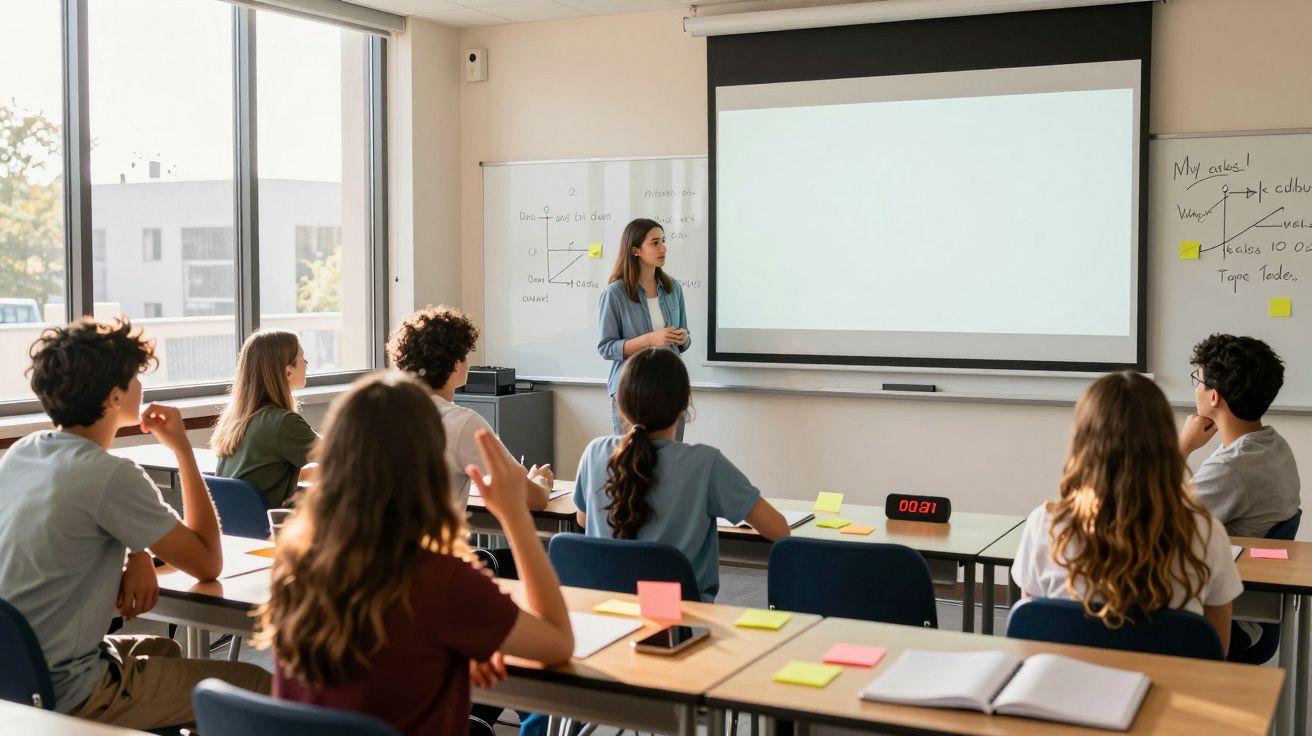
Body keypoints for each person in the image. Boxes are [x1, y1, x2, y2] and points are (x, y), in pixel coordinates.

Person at [260, 371, 573, 736]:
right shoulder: (439, 578)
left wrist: (447, 655)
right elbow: (557, 643)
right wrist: (515, 517)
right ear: (427, 465)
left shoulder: (296, 563)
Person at [0, 318, 270, 730]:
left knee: (163, 650)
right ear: (113, 397)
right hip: (71, 689)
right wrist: (182, 449)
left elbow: (70, 528)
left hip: (16, 674)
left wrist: (137, 551)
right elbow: (207, 563)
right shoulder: (111, 474)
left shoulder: (24, 452)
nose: (141, 387)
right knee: (257, 683)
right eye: (135, 378)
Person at [1012, 371, 1243, 652]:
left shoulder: (1045, 525)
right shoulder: (1205, 532)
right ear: (1165, 440)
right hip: (1169, 692)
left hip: (1067, 689)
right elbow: (1216, 651)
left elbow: (1029, 640)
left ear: (1084, 441)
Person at [573, 347, 789, 601]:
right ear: (684, 403)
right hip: (680, 623)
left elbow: (583, 520)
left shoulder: (594, 453)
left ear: (621, 402)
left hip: (607, 618)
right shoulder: (706, 464)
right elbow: (779, 530)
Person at [387, 305, 553, 510]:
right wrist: (540, 482)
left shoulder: (379, 412)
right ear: (456, 364)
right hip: (435, 541)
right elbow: (533, 500)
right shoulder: (462, 423)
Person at [1178, 334, 1299, 538]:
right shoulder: (1275, 445)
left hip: (1225, 567)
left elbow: (1155, 525)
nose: (1196, 388)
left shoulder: (1230, 468)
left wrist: (1182, 447)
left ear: (1214, 396)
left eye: (1197, 379)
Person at [597, 218, 690, 437]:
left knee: (671, 460)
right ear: (636, 250)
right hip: (631, 392)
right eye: (655, 243)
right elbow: (606, 347)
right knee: (632, 463)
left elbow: (687, 339)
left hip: (670, 388)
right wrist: (651, 339)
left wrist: (682, 337)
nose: (663, 248)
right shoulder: (615, 294)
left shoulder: (672, 288)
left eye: (663, 241)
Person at [212, 330, 317, 509]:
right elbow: (338, 457)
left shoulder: (234, 421)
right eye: (301, 356)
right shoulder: (282, 423)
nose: (306, 362)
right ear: (288, 371)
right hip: (269, 529)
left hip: (236, 530)